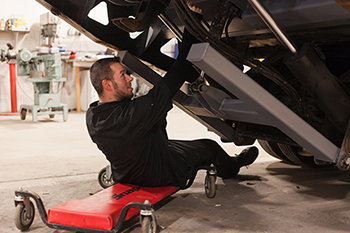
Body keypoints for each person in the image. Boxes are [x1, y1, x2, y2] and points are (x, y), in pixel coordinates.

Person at [86, 2, 259, 189]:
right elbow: (178, 73)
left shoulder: (93, 115)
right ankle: (232, 167)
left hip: (129, 172)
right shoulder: (135, 115)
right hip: (162, 174)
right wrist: (193, 25)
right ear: (107, 85)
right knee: (210, 147)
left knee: (160, 139)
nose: (129, 79)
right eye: (123, 75)